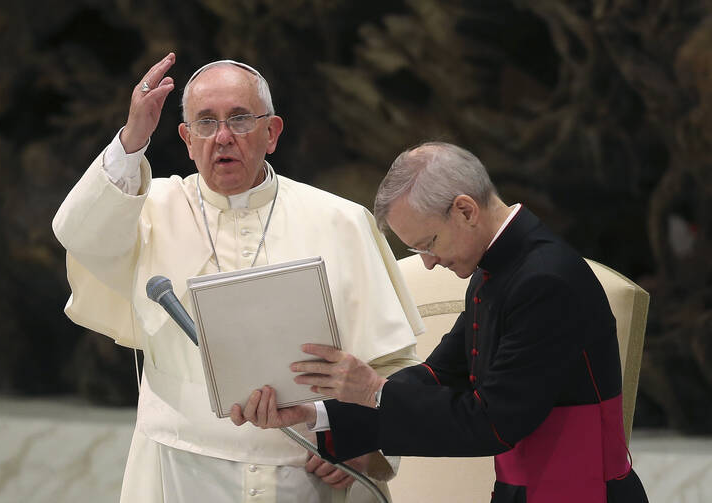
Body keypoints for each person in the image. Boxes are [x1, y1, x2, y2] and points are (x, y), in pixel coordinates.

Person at [52, 53, 423, 503]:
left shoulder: (342, 221)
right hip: (180, 469)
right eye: (205, 123)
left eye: (240, 119)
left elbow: (390, 364)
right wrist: (133, 139)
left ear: (272, 133)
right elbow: (79, 234)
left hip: (308, 471)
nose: (222, 137)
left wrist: (354, 437)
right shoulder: (148, 211)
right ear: (186, 140)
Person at [232, 142, 650, 502]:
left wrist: (375, 391)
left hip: (581, 491)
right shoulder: (496, 267)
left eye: (428, 244)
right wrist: (318, 412)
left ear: (465, 210)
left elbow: (493, 422)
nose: (428, 263)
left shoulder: (544, 280)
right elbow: (440, 374)